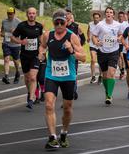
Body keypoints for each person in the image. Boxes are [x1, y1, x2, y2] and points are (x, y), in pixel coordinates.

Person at [38, 9, 86, 150]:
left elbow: (83, 57)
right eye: (56, 22)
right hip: (51, 74)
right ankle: (52, 137)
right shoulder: (48, 35)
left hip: (68, 76)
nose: (59, 25)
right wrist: (41, 54)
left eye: (62, 22)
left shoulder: (72, 37)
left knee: (67, 108)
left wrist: (71, 50)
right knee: (48, 105)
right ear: (53, 23)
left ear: (66, 22)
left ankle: (64, 132)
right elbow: (42, 46)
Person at [11, 7, 43, 109]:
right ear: (27, 14)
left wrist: (42, 52)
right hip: (24, 56)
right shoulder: (21, 26)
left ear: (36, 14)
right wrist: (20, 42)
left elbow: (42, 40)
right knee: (27, 77)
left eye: (33, 13)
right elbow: (12, 37)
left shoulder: (39, 26)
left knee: (33, 77)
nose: (32, 15)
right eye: (30, 13)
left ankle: (31, 98)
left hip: (35, 55)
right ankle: (30, 92)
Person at [91, 7, 123, 105]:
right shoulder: (100, 25)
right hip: (102, 51)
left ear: (113, 15)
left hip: (113, 51)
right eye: (107, 12)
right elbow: (94, 36)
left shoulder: (118, 25)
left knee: (111, 73)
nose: (109, 14)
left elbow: (121, 34)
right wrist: (96, 42)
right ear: (105, 14)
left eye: (111, 12)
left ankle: (109, 95)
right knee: (105, 76)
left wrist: (119, 38)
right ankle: (107, 92)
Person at [65, 9, 85, 100]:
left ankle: (73, 90)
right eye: (65, 14)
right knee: (65, 73)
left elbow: (83, 38)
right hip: (63, 53)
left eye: (68, 14)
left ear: (71, 15)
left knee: (73, 73)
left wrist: (79, 46)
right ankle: (69, 91)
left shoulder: (76, 26)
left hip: (73, 53)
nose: (67, 15)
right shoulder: (62, 25)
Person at [0, 7, 21, 84]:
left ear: (14, 14)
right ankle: (6, 76)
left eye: (11, 14)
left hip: (16, 45)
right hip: (6, 43)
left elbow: (22, 34)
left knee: (16, 61)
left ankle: (17, 73)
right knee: (6, 59)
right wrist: (6, 34)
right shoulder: (4, 22)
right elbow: (1, 33)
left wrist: (15, 32)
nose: (10, 15)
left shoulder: (19, 22)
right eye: (8, 14)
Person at [88, 12, 102, 84]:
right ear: (93, 18)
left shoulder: (102, 25)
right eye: (95, 18)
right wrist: (88, 37)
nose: (96, 19)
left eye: (97, 18)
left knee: (100, 62)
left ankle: (100, 76)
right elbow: (88, 31)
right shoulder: (90, 24)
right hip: (92, 44)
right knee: (93, 60)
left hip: (99, 45)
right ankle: (93, 76)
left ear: (99, 18)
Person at [117, 11, 129, 80]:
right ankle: (121, 70)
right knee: (119, 57)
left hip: (124, 43)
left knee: (122, 56)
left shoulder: (126, 24)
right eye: (119, 16)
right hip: (118, 43)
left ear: (123, 17)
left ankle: (123, 69)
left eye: (122, 16)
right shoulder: (116, 24)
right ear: (118, 17)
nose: (120, 18)